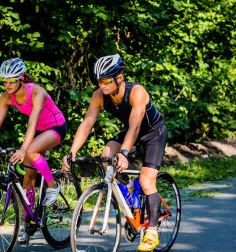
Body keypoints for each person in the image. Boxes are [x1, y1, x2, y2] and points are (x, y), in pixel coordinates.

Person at [62, 54, 167, 251]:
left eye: (106, 81)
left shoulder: (136, 92)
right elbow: (87, 123)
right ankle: (128, 193)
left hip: (153, 133)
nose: (102, 85)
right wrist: (72, 151)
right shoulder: (100, 95)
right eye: (99, 81)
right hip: (130, 132)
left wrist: (125, 153)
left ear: (120, 77)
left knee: (146, 181)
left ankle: (152, 231)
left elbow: (135, 127)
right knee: (106, 156)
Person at [0, 57, 67, 242]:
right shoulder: (5, 96)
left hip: (56, 127)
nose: (8, 84)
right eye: (4, 80)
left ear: (21, 78)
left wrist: (23, 149)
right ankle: (29, 223)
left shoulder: (36, 92)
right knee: (28, 177)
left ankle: (53, 185)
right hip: (39, 131)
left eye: (11, 80)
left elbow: (32, 123)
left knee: (30, 151)